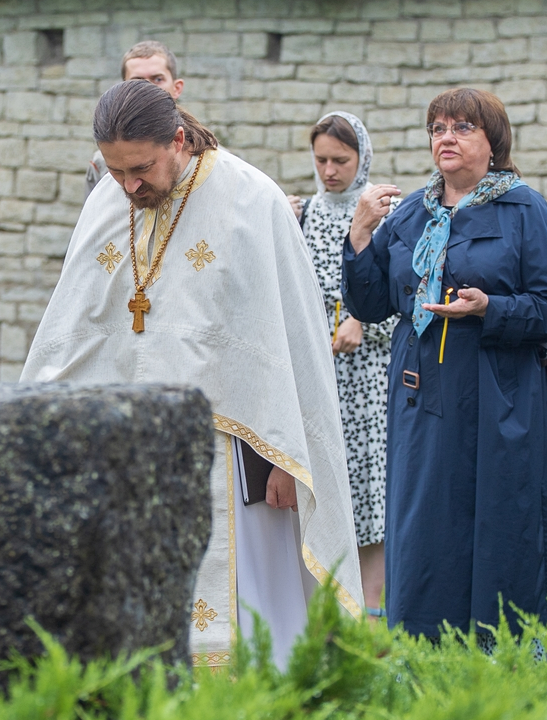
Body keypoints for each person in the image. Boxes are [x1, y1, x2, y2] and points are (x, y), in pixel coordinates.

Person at [24, 79, 364, 670]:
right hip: (130, 445)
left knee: (246, 603)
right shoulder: (109, 200)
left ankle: (258, 696)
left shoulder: (250, 199)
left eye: (141, 169)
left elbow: (290, 339)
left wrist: (290, 454)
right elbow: (72, 326)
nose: (129, 186)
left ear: (178, 141)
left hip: (233, 447)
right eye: (116, 170)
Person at [342, 87, 547, 644]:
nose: (446, 138)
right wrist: (360, 233)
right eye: (438, 128)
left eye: (462, 128)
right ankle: (425, 639)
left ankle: (506, 641)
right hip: (422, 390)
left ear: (492, 143)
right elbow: (370, 304)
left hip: (497, 388)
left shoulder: (524, 210)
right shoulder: (410, 214)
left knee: (500, 513)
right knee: (424, 516)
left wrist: (489, 306)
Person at [296, 112, 397, 617]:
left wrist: (364, 322)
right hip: (318, 372)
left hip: (369, 378)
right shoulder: (303, 213)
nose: (330, 170)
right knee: (323, 481)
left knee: (368, 487)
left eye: (341, 160)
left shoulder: (383, 211)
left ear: (362, 159)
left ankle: (374, 606)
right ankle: (323, 600)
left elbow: (406, 295)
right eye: (321, 160)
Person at [84, 41, 185, 202]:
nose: (147, 89)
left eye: (157, 79)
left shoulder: (214, 161)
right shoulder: (101, 164)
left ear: (177, 87)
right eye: (137, 81)